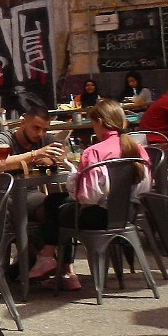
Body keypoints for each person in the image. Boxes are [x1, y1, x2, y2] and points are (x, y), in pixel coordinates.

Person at [43, 100, 152, 292]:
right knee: (59, 203)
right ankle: (54, 263)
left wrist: (72, 180)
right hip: (128, 214)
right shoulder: (137, 148)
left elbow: (88, 197)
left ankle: (58, 265)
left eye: (93, 123)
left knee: (56, 206)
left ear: (100, 121)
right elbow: (145, 187)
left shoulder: (93, 152)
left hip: (97, 218)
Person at [0, 111, 68, 272]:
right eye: (35, 128)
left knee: (60, 211)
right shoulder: (3, 139)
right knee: (14, 211)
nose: (40, 133)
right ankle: (35, 258)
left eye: (44, 130)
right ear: (23, 122)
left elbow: (62, 152)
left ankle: (62, 269)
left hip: (30, 194)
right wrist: (35, 154)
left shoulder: (44, 139)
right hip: (0, 196)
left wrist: (53, 159)